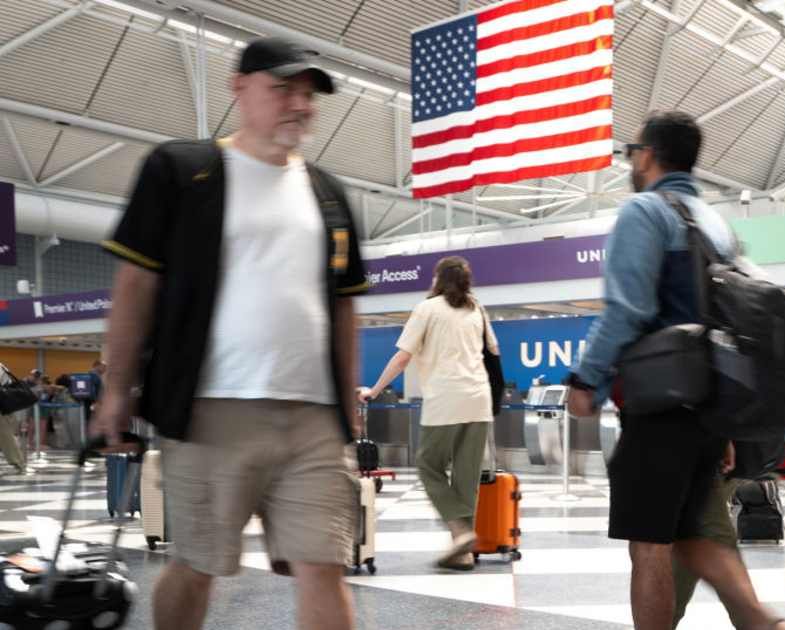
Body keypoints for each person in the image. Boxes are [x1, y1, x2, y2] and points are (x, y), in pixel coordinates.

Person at [92, 37, 366, 630]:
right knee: (198, 563)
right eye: (282, 89)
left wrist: (348, 410)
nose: (299, 104)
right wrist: (116, 391)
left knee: (323, 564)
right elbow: (136, 284)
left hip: (314, 420)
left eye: (307, 94)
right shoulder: (182, 171)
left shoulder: (330, 194)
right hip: (211, 410)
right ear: (239, 87)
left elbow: (344, 309)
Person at [566, 111, 785, 630]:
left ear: (648, 154)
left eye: (634, 152)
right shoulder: (714, 222)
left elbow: (627, 310)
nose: (633, 161)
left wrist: (588, 380)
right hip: (710, 408)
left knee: (649, 543)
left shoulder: (645, 211)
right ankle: (765, 623)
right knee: (696, 533)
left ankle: (763, 624)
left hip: (659, 401)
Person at [360, 256, 499, 571]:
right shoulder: (475, 308)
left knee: (428, 466)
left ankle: (460, 532)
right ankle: (462, 550)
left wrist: (375, 389)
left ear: (438, 279)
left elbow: (402, 358)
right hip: (478, 400)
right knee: (466, 477)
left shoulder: (428, 309)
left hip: (445, 401)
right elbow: (493, 352)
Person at [0, 363, 28, 474]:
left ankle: (19, 463)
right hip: (4, 408)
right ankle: (18, 463)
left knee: (6, 436)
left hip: (2, 409)